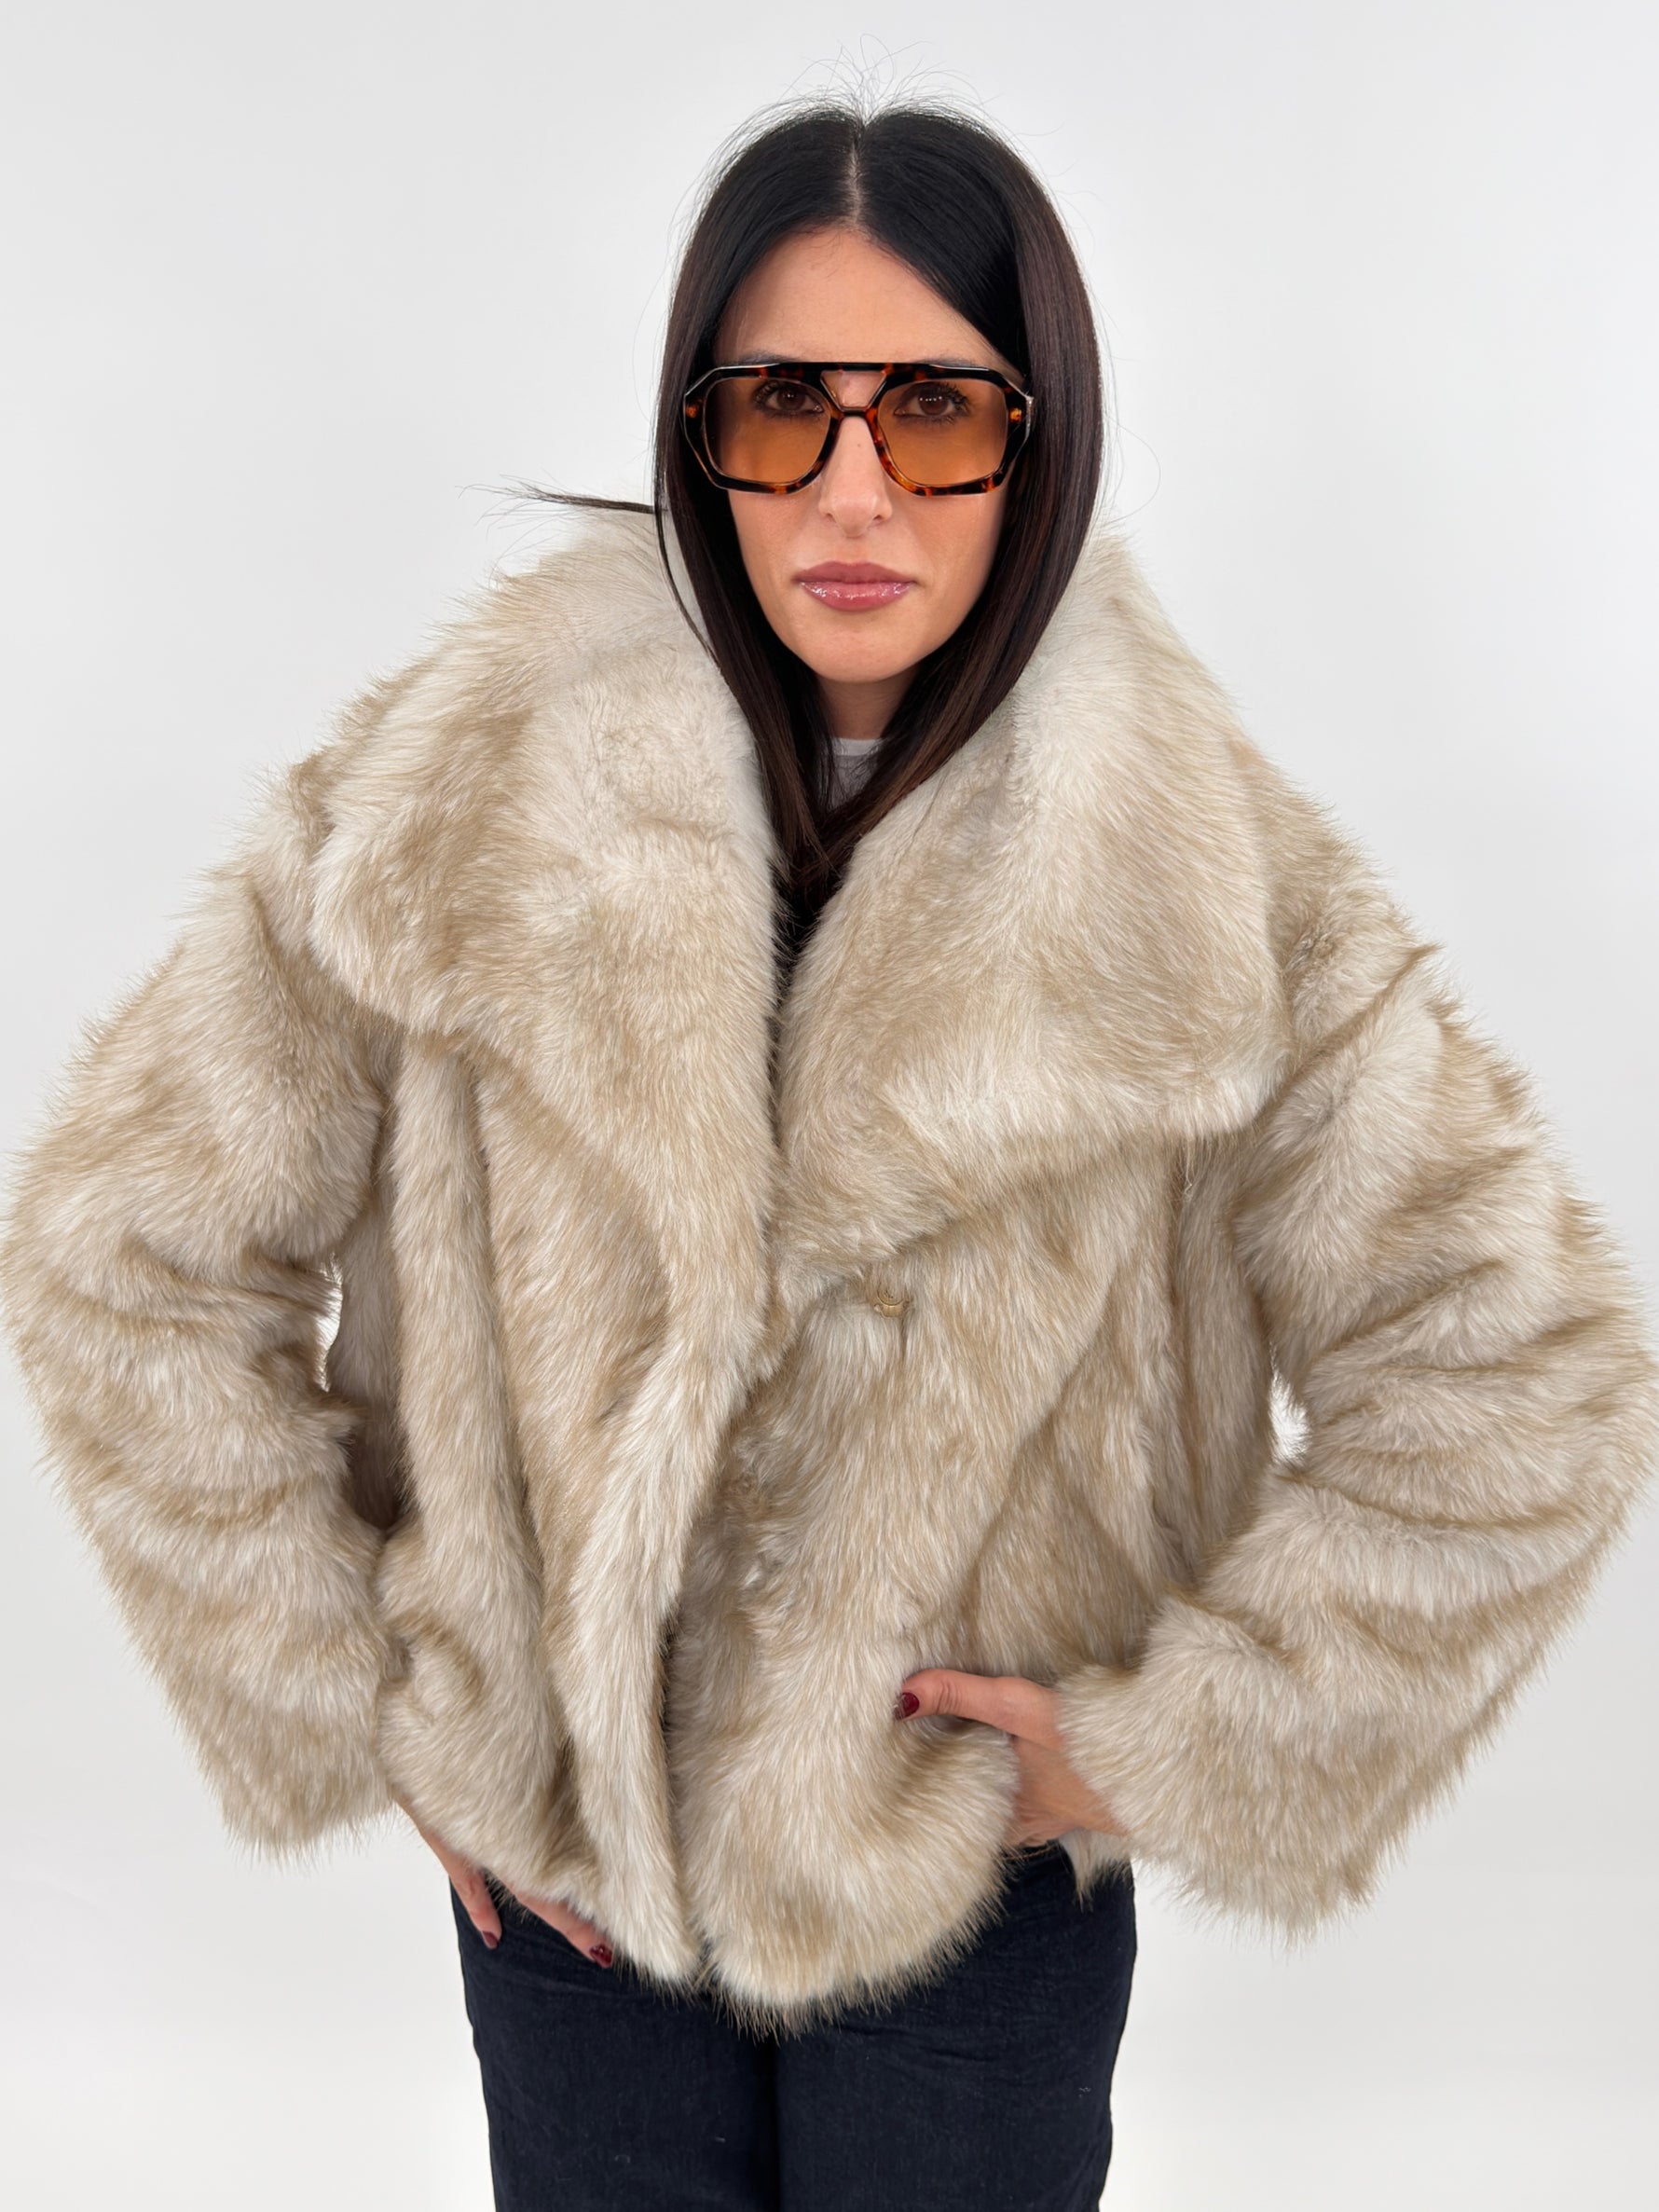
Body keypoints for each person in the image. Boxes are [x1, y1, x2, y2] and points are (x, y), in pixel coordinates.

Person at [1, 91, 1655, 2212]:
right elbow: (126, 1243)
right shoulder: (450, 794)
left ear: (1037, 441)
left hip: (962, 1885)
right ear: (700, 436)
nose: (853, 487)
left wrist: (1161, 1744)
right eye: (783, 405)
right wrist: (356, 1688)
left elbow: (1517, 1368)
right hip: (572, 1885)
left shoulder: (1205, 880)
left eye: (936, 411)